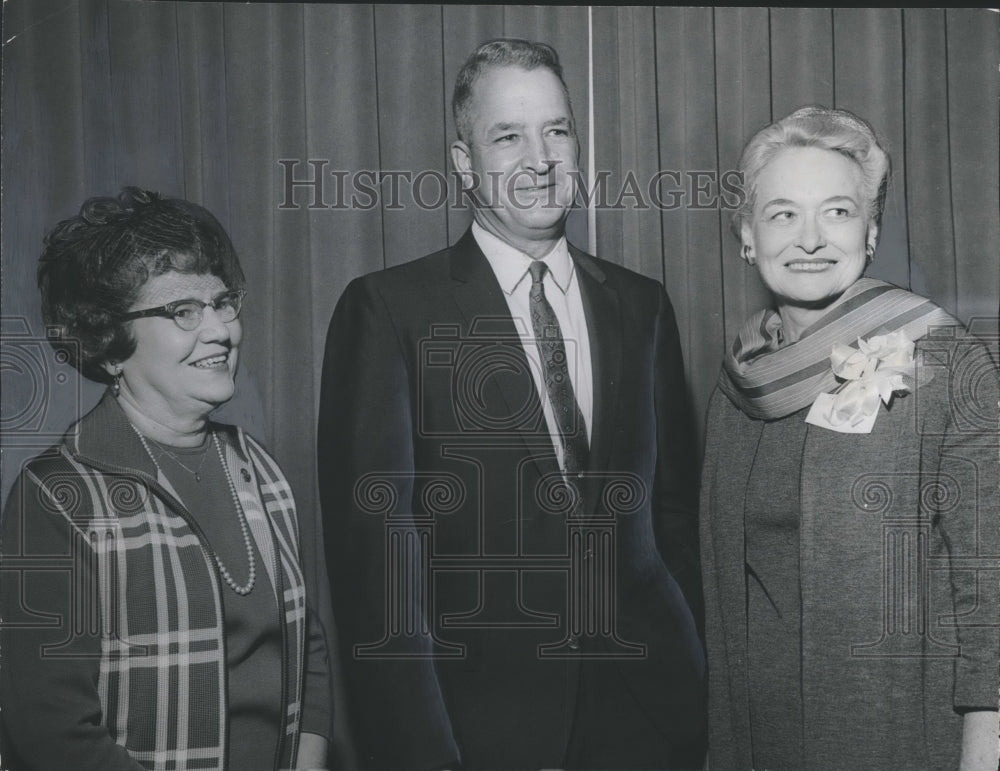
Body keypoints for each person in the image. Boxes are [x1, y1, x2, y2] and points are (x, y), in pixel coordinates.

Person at [318, 39, 706, 770]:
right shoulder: (390, 311)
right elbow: (380, 578)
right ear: (464, 161)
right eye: (508, 135)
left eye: (557, 130)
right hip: (484, 733)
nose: (541, 157)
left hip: (653, 720)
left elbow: (672, 517)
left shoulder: (642, 306)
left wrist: (696, 684)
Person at [700, 106, 1000, 770]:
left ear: (870, 232)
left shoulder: (945, 361)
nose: (809, 238)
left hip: (900, 737)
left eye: (836, 212)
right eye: (782, 214)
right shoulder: (739, 383)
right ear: (747, 236)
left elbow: (992, 585)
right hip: (762, 738)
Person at [0, 188, 333, 771]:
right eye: (183, 311)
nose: (220, 330)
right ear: (108, 342)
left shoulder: (261, 469)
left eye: (222, 301)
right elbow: (51, 731)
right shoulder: (55, 496)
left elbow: (308, 651)